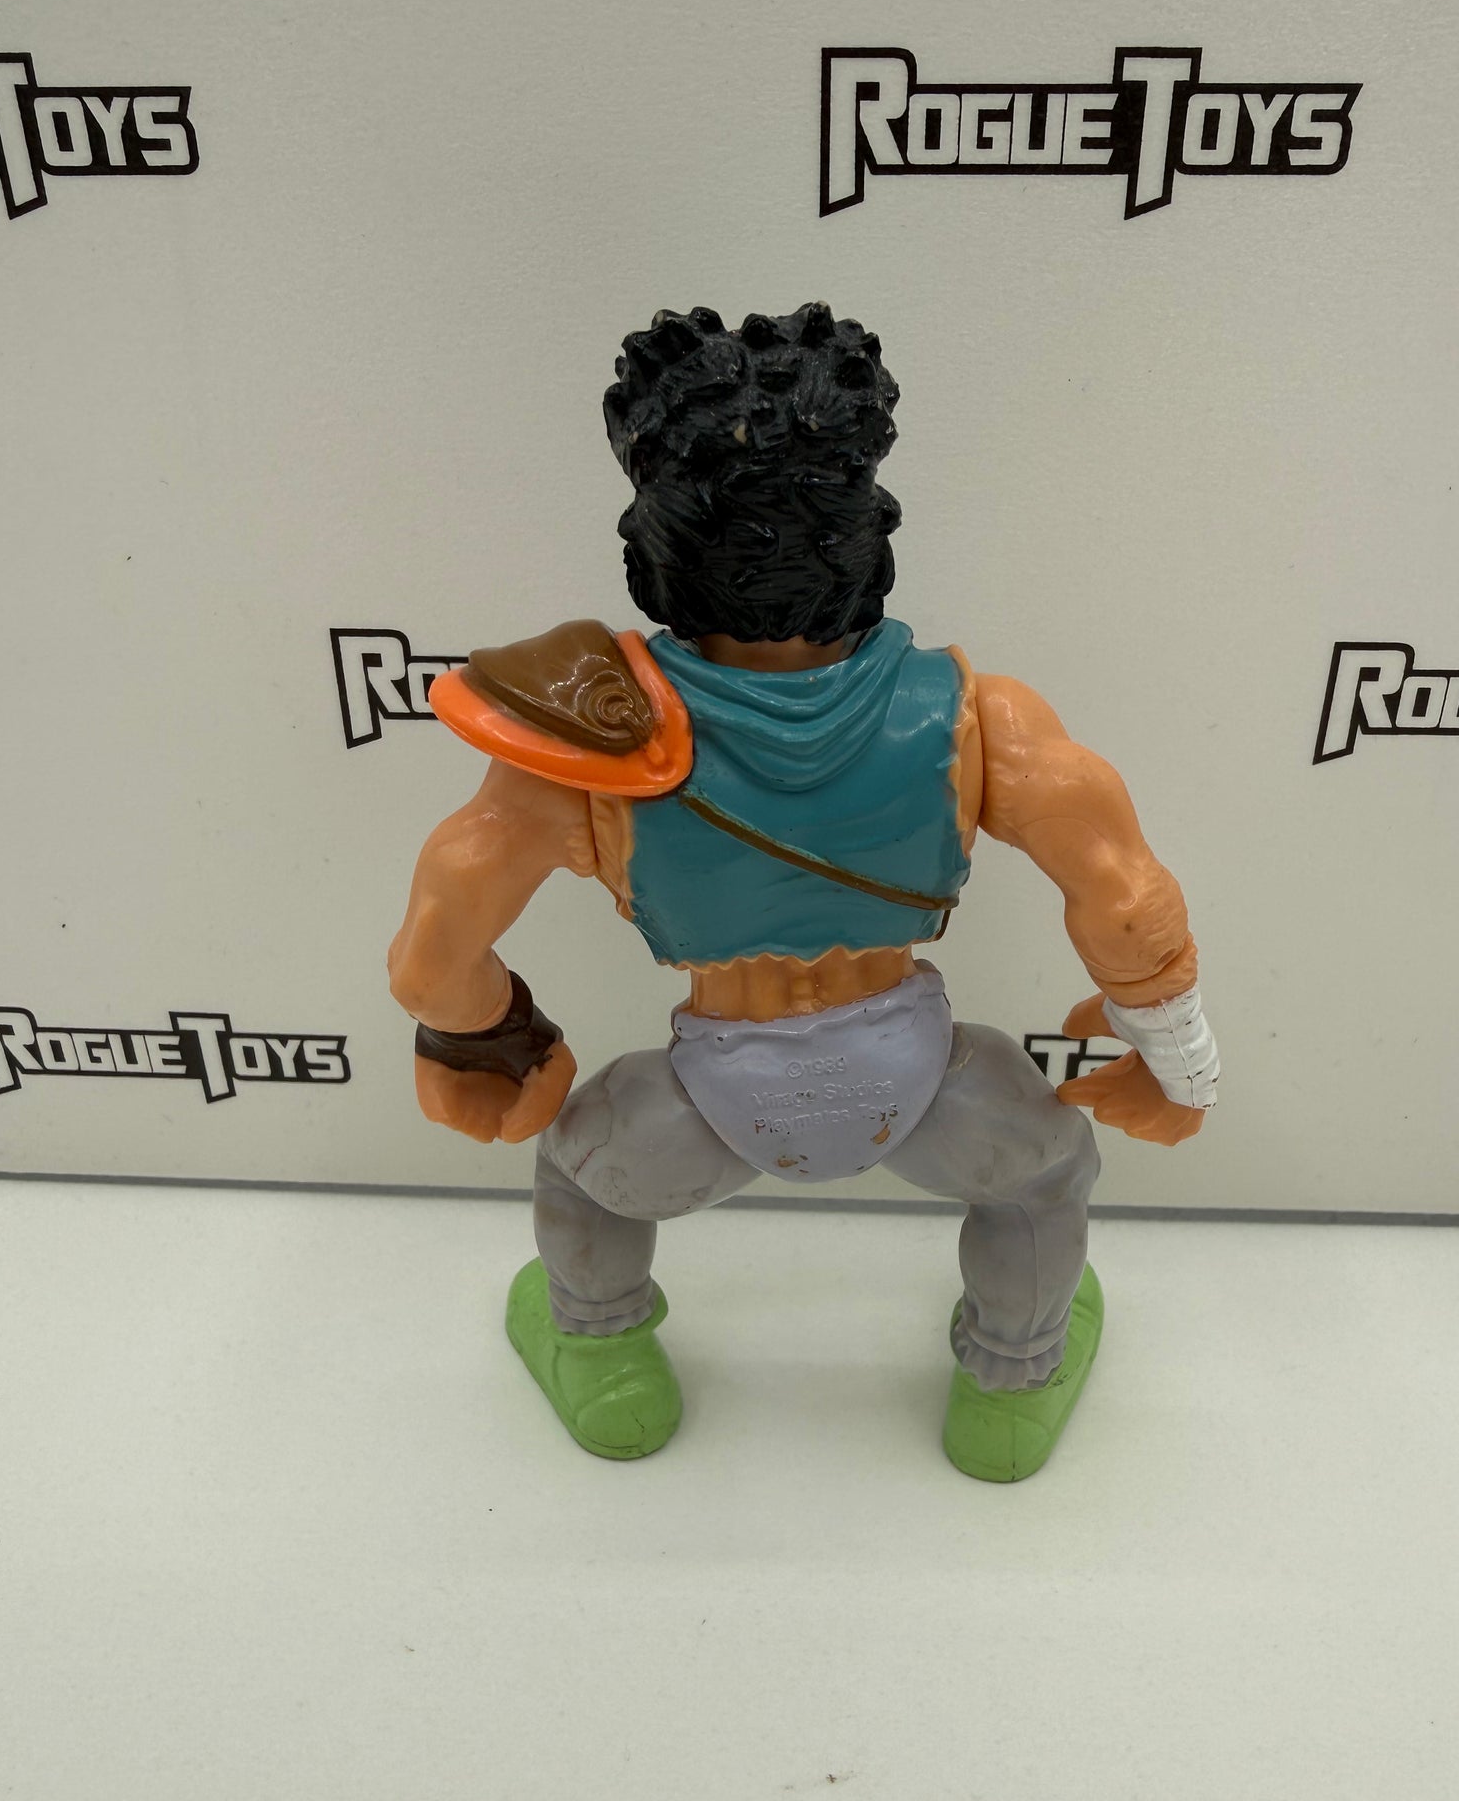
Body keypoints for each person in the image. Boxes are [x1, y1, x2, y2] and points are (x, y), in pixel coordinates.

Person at [388, 302, 1218, 1482]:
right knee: (1042, 1173)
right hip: (924, 1082)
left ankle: (602, 1355)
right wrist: (1177, 1062)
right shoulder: (979, 717)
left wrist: (495, 1043)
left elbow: (437, 948)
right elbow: (1128, 902)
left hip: (705, 1102)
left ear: (658, 540)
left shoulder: (582, 749)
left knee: (582, 1173)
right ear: (866, 530)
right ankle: (1011, 1386)